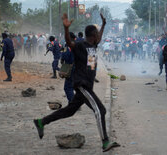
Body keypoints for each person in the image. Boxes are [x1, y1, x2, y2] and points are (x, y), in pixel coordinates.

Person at [33, 13, 120, 152]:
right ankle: (105, 142)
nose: (99, 36)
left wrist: (103, 25)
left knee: (69, 111)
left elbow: (100, 38)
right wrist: (66, 28)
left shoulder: (93, 45)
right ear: (92, 35)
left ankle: (41, 122)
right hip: (82, 84)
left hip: (88, 84)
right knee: (101, 110)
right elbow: (69, 43)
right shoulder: (80, 45)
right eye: (97, 33)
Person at [61, 32, 76, 103]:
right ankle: (72, 101)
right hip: (77, 68)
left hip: (70, 68)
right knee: (72, 87)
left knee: (67, 88)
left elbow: (63, 57)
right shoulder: (78, 45)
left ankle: (73, 102)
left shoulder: (66, 47)